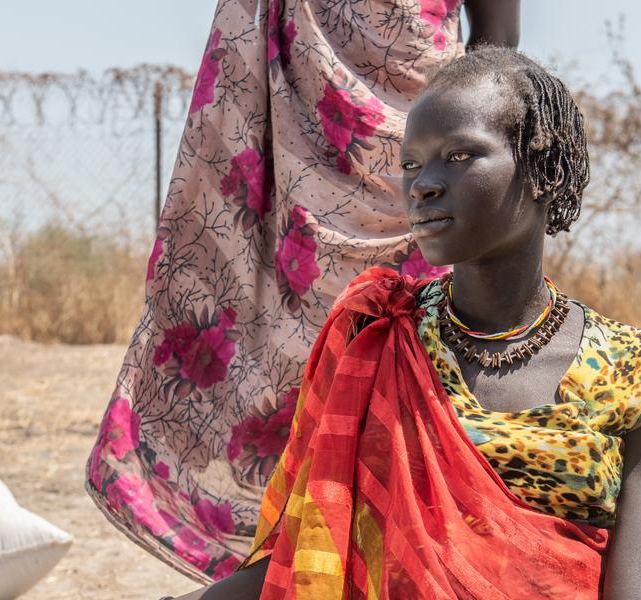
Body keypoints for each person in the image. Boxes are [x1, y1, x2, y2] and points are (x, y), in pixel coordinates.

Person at [165, 46, 641, 600]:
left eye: (458, 155)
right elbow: (301, 558)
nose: (423, 183)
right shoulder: (373, 334)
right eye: (411, 163)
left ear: (543, 169)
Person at [86, 0, 522, 584]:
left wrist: (468, 143)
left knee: (413, 368)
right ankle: (296, 568)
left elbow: (498, 46)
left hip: (419, 133)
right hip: (294, 134)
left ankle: (399, 568)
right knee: (300, 368)